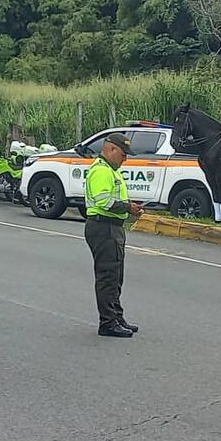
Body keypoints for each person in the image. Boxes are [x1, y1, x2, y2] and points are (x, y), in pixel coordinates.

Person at [84, 133, 144, 339]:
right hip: (103, 227)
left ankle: (116, 316)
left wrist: (129, 207)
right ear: (111, 150)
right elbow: (104, 201)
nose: (125, 159)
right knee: (108, 276)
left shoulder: (111, 170)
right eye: (123, 154)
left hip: (112, 227)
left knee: (116, 275)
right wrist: (129, 208)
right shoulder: (101, 171)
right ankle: (107, 322)